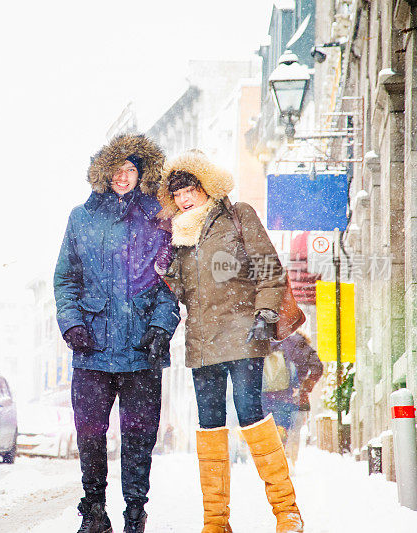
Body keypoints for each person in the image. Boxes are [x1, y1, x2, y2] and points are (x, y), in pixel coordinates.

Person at [157, 150, 304, 533]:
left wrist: (266, 314)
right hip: (201, 341)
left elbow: (269, 268)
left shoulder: (238, 215)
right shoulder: (176, 234)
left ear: (207, 186)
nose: (184, 199)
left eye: (190, 189)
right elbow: (180, 289)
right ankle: (215, 521)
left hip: (242, 331)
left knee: (249, 411)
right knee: (209, 425)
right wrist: (165, 273)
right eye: (177, 194)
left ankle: (287, 511)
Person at [54, 134, 180, 533]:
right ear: (103, 173)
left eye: (130, 169)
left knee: (138, 437)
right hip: (92, 346)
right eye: (116, 170)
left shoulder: (161, 216)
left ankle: (134, 513)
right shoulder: (82, 217)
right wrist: (72, 322)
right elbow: (65, 279)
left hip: (143, 347)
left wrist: (162, 325)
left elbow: (172, 283)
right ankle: (93, 511)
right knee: (90, 434)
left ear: (141, 172)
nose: (123, 177)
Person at [261, 331, 323, 473]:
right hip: (295, 398)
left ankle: (274, 462)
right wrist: (305, 386)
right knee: (292, 430)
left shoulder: (263, 340)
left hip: (267, 398)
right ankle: (290, 461)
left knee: (272, 430)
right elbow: (317, 366)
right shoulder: (299, 343)